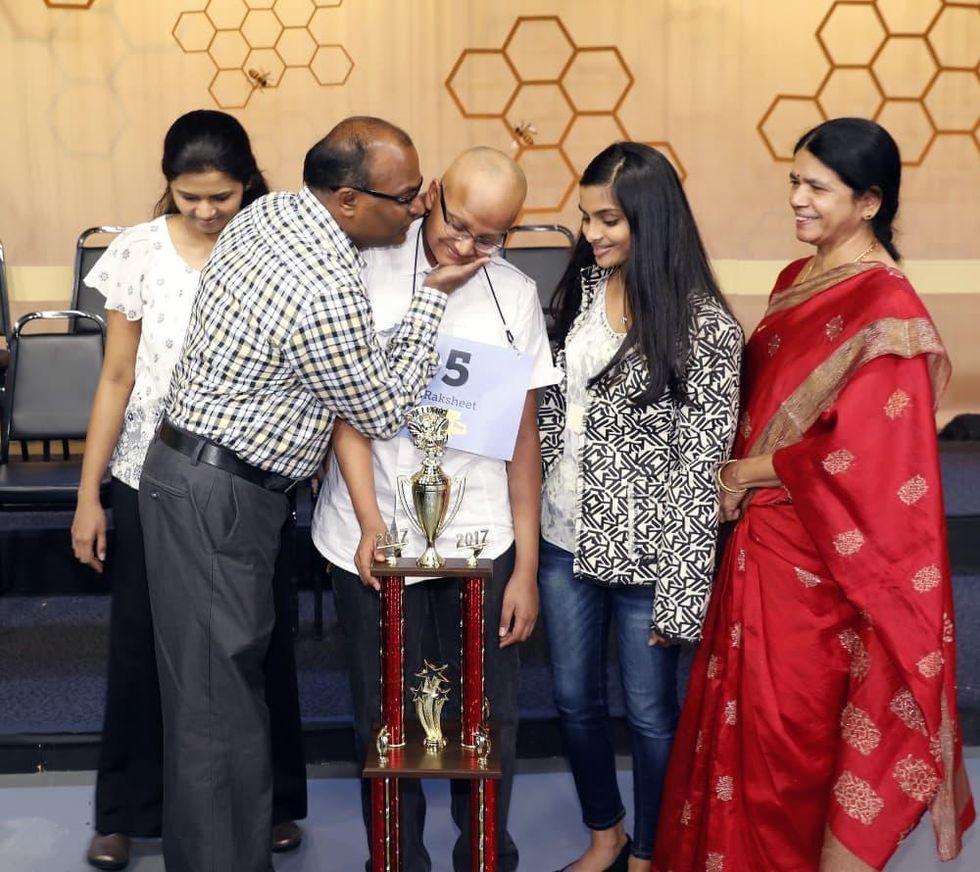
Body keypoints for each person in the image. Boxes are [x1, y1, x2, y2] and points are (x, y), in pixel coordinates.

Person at [136, 116, 486, 872]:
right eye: (407, 198)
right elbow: (384, 408)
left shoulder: (275, 213)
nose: (421, 210)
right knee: (211, 713)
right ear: (352, 199)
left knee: (226, 701)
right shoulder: (322, 285)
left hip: (209, 487)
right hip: (217, 496)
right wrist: (432, 296)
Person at [653, 118, 975, 872]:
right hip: (763, 546)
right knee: (745, 727)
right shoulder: (797, 282)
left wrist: (741, 474)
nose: (796, 198)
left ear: (868, 203)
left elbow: (862, 455)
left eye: (815, 187)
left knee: (786, 739)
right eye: (794, 181)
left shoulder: (887, 312)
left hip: (823, 564)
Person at [69, 109, 306, 871]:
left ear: (248, 185)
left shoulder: (276, 250)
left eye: (222, 197)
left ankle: (267, 800)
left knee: (255, 645)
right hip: (152, 478)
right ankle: (127, 811)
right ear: (167, 186)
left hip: (250, 479)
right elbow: (116, 377)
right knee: (142, 645)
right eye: (188, 197)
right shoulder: (138, 251)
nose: (205, 213)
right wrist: (88, 495)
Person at [312, 147, 559, 871]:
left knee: (487, 717)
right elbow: (348, 417)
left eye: (491, 237)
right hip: (373, 532)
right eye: (459, 225)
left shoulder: (511, 294)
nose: (467, 246)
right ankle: (395, 858)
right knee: (387, 719)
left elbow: (523, 438)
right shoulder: (365, 269)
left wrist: (526, 568)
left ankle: (485, 853)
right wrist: (370, 526)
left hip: (480, 539)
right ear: (432, 197)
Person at [537, 142, 743, 872]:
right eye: (587, 217)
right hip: (562, 538)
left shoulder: (707, 328)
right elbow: (554, 414)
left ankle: (655, 852)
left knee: (653, 717)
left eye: (609, 220)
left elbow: (701, 472)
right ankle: (607, 835)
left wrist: (682, 596)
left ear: (651, 222)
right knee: (571, 700)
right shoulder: (581, 295)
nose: (592, 234)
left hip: (650, 559)